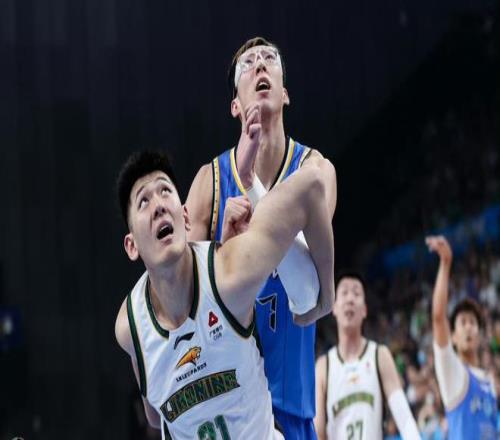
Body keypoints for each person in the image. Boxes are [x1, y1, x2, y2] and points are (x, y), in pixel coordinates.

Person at [114, 150, 335, 439]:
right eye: (144, 201)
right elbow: (154, 415)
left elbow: (313, 185)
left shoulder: (229, 273)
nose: (158, 206)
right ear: (132, 246)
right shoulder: (130, 327)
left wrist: (327, 295)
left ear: (185, 218)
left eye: (165, 191)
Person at [185, 36, 337, 438]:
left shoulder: (315, 170)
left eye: (270, 59)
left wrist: (254, 192)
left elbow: (308, 287)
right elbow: (189, 306)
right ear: (235, 105)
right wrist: (222, 252)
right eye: (248, 64)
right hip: (230, 412)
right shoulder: (208, 185)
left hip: (292, 406)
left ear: (285, 94)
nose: (259, 65)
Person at [314, 272, 420, 440]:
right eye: (344, 293)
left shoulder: (379, 355)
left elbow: (404, 418)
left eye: (356, 293)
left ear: (364, 310)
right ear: (334, 307)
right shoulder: (323, 366)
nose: (350, 299)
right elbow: (317, 432)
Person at [426, 235, 497, 439]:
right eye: (463, 323)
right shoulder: (453, 371)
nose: (468, 328)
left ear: (480, 335)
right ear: (453, 338)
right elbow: (438, 317)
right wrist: (445, 263)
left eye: (473, 323)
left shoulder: (490, 382)